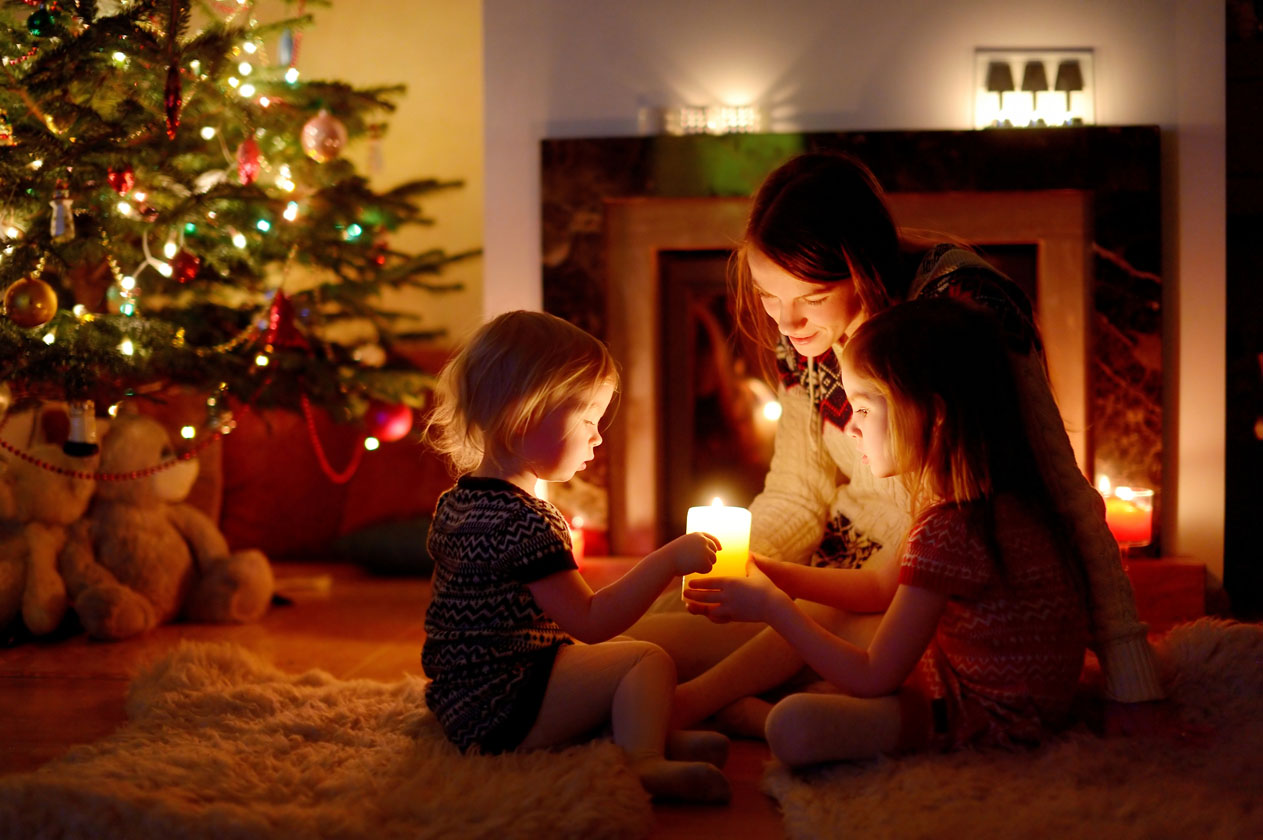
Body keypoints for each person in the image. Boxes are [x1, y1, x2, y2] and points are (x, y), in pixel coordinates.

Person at [630, 151, 1164, 726]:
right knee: (652, 635)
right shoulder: (800, 334)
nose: (786, 322)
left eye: (811, 298)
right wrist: (732, 567)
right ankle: (743, 703)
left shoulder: (961, 311)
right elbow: (797, 494)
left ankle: (713, 705)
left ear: (862, 269)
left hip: (926, 598)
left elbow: (1064, 489)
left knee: (687, 656)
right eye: (767, 295)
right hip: (840, 573)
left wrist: (1130, 674)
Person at [676, 297, 1092, 763]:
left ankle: (744, 714)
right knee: (825, 609)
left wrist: (772, 606)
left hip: (982, 717)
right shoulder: (997, 502)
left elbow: (876, 675)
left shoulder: (951, 529)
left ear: (933, 416)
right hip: (961, 675)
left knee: (795, 726)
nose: (850, 428)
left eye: (864, 410)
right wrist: (770, 573)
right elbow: (876, 587)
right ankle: (696, 699)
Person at [421, 310, 731, 804]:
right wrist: (667, 561)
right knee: (644, 659)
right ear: (523, 414)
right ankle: (644, 760)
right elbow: (590, 621)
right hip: (505, 706)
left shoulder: (456, 502)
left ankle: (646, 731)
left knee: (596, 661)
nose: (598, 436)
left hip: (459, 697)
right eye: (587, 418)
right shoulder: (524, 521)